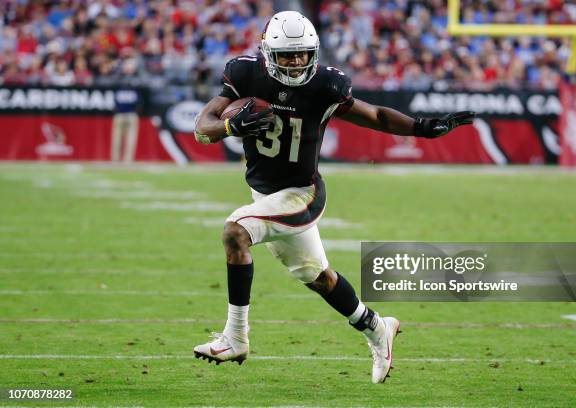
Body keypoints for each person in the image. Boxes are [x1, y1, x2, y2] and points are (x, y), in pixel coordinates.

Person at [192, 11, 474, 384]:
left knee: (235, 232)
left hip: (301, 194)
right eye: (288, 55)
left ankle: (235, 337)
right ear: (267, 53)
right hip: (264, 192)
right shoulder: (245, 74)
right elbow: (202, 128)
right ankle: (377, 327)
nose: (296, 62)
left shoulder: (325, 85)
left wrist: (421, 128)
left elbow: (374, 114)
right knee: (318, 277)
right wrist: (230, 125)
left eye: (303, 54)